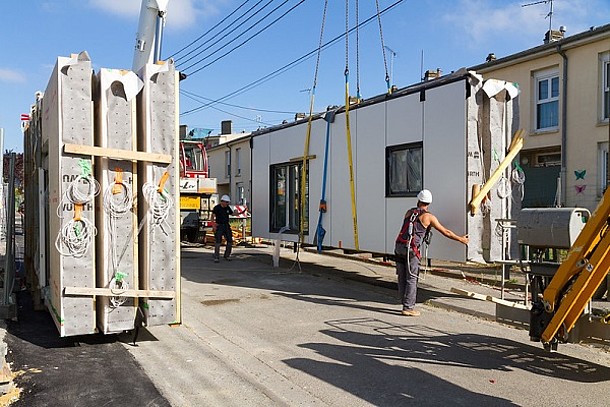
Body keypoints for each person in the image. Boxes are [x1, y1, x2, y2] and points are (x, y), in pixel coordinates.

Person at [394, 189, 468, 316]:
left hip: (399, 247)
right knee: (412, 278)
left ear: (418, 200)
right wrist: (461, 239)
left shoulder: (409, 212)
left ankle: (404, 302)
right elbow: (446, 232)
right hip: (411, 250)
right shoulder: (428, 217)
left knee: (402, 276)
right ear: (429, 203)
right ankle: (408, 308)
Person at [211, 195, 247, 263]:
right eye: (226, 202)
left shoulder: (227, 208)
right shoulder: (217, 208)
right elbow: (212, 216)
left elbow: (233, 214)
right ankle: (216, 257)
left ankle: (227, 255)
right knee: (218, 242)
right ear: (222, 202)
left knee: (230, 240)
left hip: (226, 225)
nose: (227, 204)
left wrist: (240, 212)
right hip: (219, 225)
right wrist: (213, 225)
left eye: (228, 202)